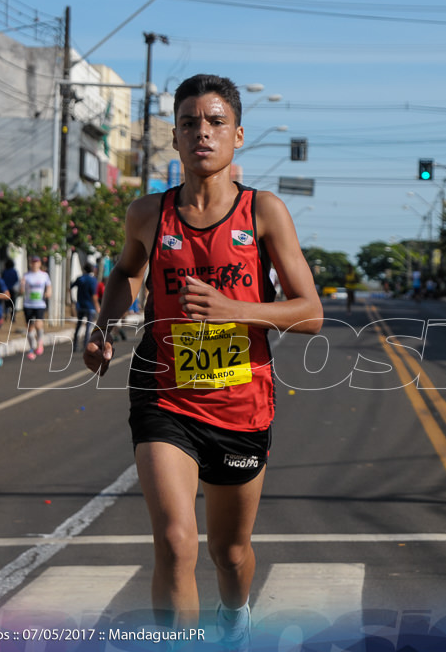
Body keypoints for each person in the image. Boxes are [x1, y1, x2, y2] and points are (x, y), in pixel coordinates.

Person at [83, 74, 323, 647]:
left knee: (230, 552)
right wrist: (101, 327)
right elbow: (124, 272)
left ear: (238, 136)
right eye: (189, 123)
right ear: (174, 136)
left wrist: (234, 310)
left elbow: (310, 312)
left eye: (215, 123)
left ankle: (234, 619)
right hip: (164, 394)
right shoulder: (147, 214)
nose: (202, 134)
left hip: (241, 402)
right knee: (173, 541)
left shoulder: (264, 212)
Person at [21, 255, 53, 360]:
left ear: (40, 263)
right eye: (33, 262)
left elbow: (49, 286)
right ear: (31, 263)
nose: (35, 264)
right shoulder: (27, 275)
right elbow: (21, 289)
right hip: (28, 304)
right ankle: (31, 348)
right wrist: (21, 286)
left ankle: (40, 342)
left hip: (40, 304)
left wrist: (48, 292)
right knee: (30, 329)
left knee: (39, 324)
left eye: (37, 262)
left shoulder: (44, 275)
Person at [70, 262, 100, 352]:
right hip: (90, 306)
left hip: (80, 305)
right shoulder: (93, 280)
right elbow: (94, 295)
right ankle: (85, 345)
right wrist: (97, 306)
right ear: (92, 269)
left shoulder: (80, 278)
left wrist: (72, 300)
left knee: (78, 325)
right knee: (88, 326)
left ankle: (75, 345)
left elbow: (70, 287)